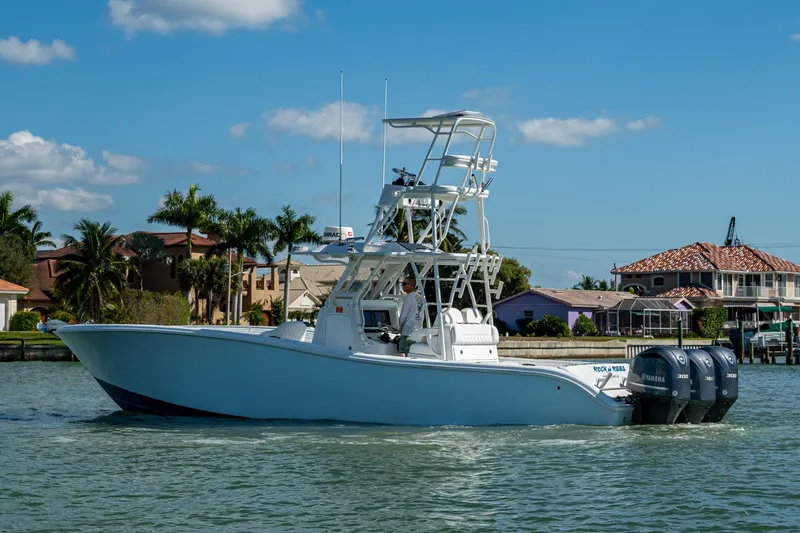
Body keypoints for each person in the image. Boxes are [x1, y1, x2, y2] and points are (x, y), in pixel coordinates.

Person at [398, 276, 425, 356]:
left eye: (404, 284)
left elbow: (403, 314)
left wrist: (399, 327)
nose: (402, 286)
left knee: (407, 355)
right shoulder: (420, 297)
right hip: (418, 330)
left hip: (407, 331)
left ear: (410, 285)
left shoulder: (408, 297)